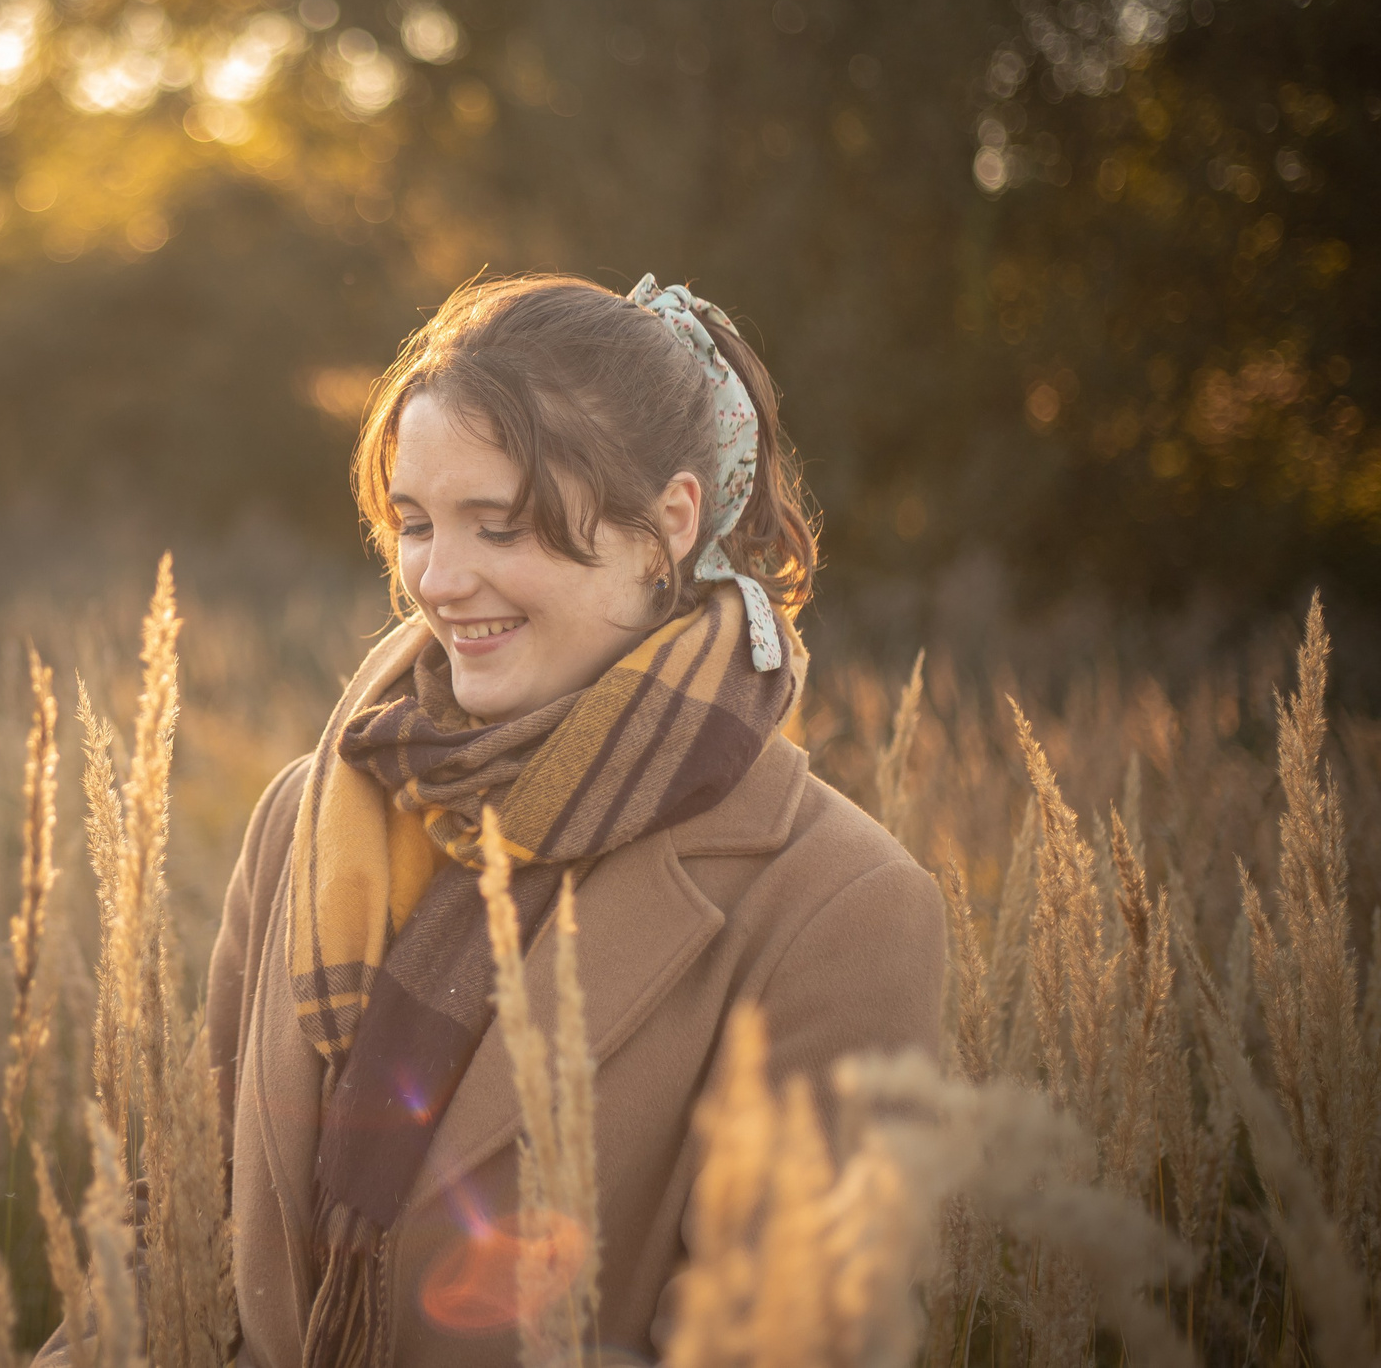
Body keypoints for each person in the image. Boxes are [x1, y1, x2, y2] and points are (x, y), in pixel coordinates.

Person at [48, 273, 945, 1367]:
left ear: (666, 528)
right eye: (415, 523)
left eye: (501, 526)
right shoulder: (310, 812)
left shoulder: (839, 906)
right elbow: (183, 1211)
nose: (438, 576)